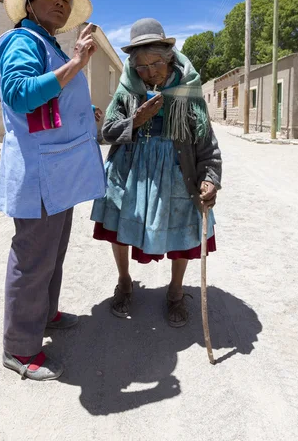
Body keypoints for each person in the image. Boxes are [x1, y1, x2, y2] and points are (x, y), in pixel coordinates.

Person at [0, 0, 106, 381]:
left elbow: (55, 104)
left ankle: (46, 315)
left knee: (52, 254)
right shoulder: (22, 40)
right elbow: (21, 94)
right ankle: (20, 350)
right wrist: (78, 63)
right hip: (40, 175)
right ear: (30, 5)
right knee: (33, 260)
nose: (60, 3)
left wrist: (84, 116)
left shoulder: (48, 45)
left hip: (58, 173)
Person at [91, 18, 222, 327]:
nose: (150, 72)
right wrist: (135, 121)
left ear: (169, 57)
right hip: (130, 169)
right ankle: (124, 282)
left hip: (176, 169)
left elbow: (206, 141)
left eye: (156, 63)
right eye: (142, 67)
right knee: (120, 225)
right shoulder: (127, 90)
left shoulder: (188, 89)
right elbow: (107, 132)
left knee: (184, 228)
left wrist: (210, 178)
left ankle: (175, 293)